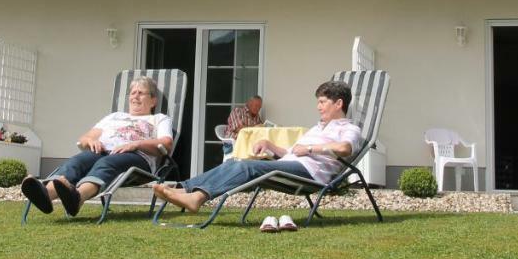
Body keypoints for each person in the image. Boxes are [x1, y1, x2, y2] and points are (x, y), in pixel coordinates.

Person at [152, 80, 361, 228]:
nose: (318, 107)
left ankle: (197, 198)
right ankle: (183, 189)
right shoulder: (317, 128)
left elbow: (345, 149)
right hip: (293, 165)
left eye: (322, 102)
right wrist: (269, 144)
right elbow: (290, 152)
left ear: (339, 104)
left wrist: (309, 149)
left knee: (246, 166)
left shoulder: (349, 128)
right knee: (237, 161)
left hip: (310, 174)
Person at [21, 76, 173, 218]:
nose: (135, 97)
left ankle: (78, 198)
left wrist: (136, 144)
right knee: (78, 161)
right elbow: (85, 137)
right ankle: (46, 195)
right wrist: (91, 141)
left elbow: (166, 143)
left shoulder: (159, 119)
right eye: (133, 93)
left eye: (141, 93)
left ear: (153, 100)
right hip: (103, 151)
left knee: (106, 163)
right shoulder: (114, 117)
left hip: (137, 157)